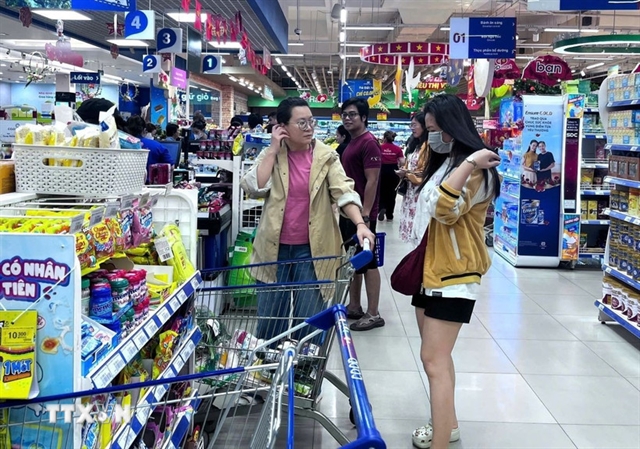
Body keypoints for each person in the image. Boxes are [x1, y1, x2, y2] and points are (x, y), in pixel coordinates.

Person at [240, 97, 375, 342]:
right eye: (301, 123)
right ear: (282, 127)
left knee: (310, 323)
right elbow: (254, 187)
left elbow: (344, 192)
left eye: (311, 121)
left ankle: (304, 365)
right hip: (273, 251)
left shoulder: (326, 156)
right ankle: (270, 364)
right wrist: (272, 149)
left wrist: (360, 223)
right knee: (271, 323)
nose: (309, 128)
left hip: (313, 252)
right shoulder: (272, 155)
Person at [409, 95, 501, 449]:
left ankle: (441, 443)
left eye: (436, 129)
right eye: (429, 129)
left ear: (453, 127)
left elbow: (446, 210)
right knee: (437, 358)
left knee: (433, 361)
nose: (432, 136)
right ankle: (448, 427)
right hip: (431, 270)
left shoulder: (478, 171)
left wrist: (471, 162)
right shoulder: (447, 162)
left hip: (455, 276)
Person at [339, 97, 384, 331]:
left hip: (363, 215)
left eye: (353, 114)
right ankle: (354, 305)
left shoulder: (368, 143)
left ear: (364, 117)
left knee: (369, 261)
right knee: (354, 260)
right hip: (351, 211)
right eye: (345, 114)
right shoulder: (352, 141)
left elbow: (372, 180)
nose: (347, 118)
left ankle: (373, 313)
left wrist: (365, 215)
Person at [398, 112, 429, 243]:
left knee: (419, 228)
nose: (412, 128)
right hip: (410, 193)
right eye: (411, 125)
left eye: (415, 125)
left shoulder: (428, 146)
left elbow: (425, 171)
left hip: (420, 192)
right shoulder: (415, 145)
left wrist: (407, 173)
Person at [126, 116, 174, 182]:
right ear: (145, 130)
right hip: (151, 185)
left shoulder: (119, 145)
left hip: (125, 185)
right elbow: (171, 167)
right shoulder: (157, 146)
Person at [378, 130, 405, 221]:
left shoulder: (379, 147)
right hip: (393, 172)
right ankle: (389, 215)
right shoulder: (397, 149)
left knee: (381, 192)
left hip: (381, 171)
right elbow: (402, 162)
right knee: (392, 193)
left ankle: (382, 207)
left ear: (384, 138)